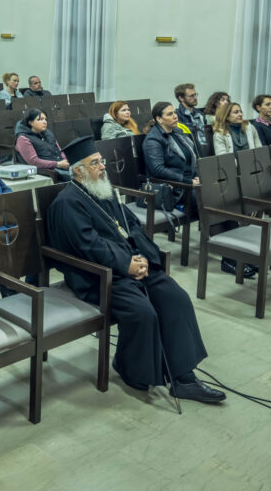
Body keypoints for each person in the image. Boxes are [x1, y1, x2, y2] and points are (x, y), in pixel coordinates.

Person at [46, 136, 224, 403]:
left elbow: (132, 228)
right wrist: (125, 265)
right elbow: (88, 246)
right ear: (78, 171)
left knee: (176, 298)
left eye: (101, 161)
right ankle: (129, 368)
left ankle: (184, 378)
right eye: (95, 163)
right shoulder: (67, 203)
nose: (102, 167)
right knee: (143, 313)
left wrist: (142, 258)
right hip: (98, 276)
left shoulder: (103, 191)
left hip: (130, 266)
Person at [15, 109, 69, 180]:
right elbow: (34, 162)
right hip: (46, 171)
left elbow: (60, 151)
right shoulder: (23, 139)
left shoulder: (48, 133)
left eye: (45, 119)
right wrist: (58, 164)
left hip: (61, 166)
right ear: (30, 122)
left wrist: (66, 160)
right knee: (78, 178)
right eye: (40, 119)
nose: (45, 122)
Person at [174, 83, 209, 157]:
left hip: (207, 150)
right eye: (191, 96)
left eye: (195, 94)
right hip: (193, 152)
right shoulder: (177, 116)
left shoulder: (200, 114)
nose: (195, 97)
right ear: (181, 98)